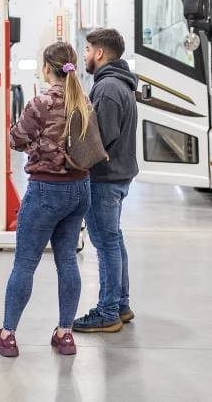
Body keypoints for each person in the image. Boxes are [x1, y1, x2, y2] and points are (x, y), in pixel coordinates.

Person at [0, 42, 92, 358]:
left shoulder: (41, 102)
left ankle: (7, 335)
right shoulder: (83, 101)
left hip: (47, 190)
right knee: (67, 259)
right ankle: (65, 334)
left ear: (47, 67)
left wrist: (32, 144)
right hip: (80, 188)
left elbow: (16, 138)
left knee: (25, 262)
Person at [73, 28, 139, 333]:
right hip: (117, 176)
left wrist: (77, 158)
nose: (84, 55)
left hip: (105, 179)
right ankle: (121, 304)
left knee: (107, 243)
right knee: (113, 240)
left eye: (87, 49)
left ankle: (108, 311)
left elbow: (102, 136)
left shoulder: (108, 88)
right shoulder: (117, 84)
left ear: (100, 53)